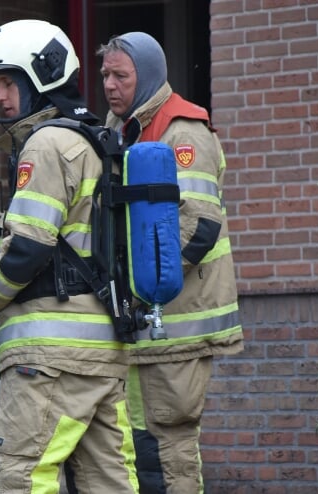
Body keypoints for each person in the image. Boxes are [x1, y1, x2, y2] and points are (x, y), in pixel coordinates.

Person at [0, 19, 139, 494]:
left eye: (7, 82)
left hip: (48, 361)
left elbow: (28, 247)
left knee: (24, 479)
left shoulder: (46, 143)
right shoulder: (98, 141)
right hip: (104, 353)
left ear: (39, 78)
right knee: (112, 484)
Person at [98, 33, 243, 493]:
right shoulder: (122, 128)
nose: (109, 85)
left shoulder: (184, 131)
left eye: (121, 75)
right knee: (141, 443)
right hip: (148, 323)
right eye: (105, 75)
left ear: (150, 76)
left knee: (169, 444)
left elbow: (199, 226)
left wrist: (146, 286)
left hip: (179, 320)